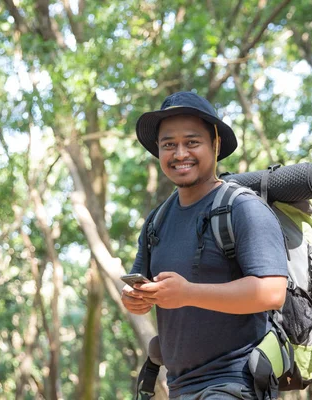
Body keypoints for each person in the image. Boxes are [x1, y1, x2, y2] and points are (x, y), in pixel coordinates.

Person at [121, 91, 288, 400]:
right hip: (178, 387)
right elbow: (140, 291)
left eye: (192, 142)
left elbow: (273, 291)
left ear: (216, 144)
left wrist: (188, 293)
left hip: (237, 382)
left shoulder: (243, 209)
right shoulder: (157, 220)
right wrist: (135, 299)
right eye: (169, 144)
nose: (180, 153)